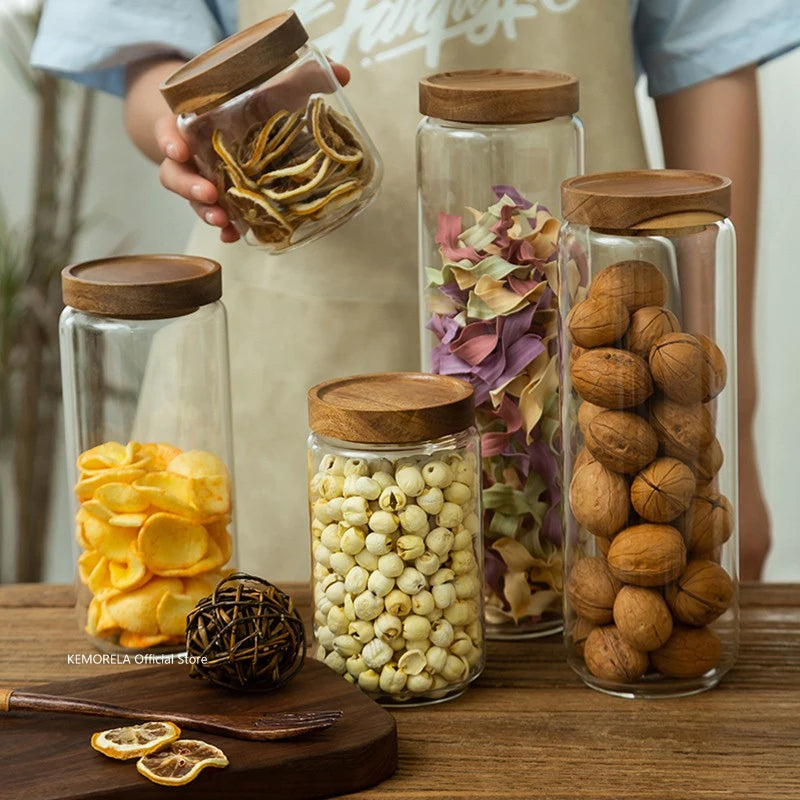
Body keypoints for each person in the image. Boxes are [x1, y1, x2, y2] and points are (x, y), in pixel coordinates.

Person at [31, 0, 800, 581]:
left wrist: (726, 419)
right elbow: (150, 57)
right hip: (279, 350)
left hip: (576, 355)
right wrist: (193, 131)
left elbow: (704, 61)